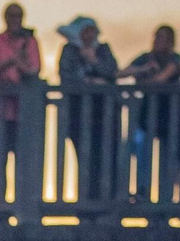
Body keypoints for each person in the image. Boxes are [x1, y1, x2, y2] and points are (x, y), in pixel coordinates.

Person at [0, 4, 42, 204]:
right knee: (0, 159)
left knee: (23, 160)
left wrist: (19, 58)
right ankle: (0, 205)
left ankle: (22, 204)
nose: (16, 19)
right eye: (12, 16)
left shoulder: (30, 42)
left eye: (19, 16)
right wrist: (12, 61)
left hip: (23, 111)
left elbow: (34, 70)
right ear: (5, 18)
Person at [120, 26, 180, 202]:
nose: (157, 41)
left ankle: (165, 199)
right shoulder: (146, 58)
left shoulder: (175, 59)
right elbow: (120, 73)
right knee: (140, 150)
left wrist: (143, 81)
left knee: (167, 159)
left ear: (171, 42)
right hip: (146, 115)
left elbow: (162, 78)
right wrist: (140, 70)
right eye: (156, 37)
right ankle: (142, 191)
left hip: (169, 116)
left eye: (162, 38)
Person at [58, 18, 120, 203]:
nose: (89, 35)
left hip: (105, 117)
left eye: (92, 31)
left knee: (106, 159)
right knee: (85, 161)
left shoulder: (103, 50)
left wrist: (93, 60)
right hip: (78, 116)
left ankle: (107, 203)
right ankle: (86, 204)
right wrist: (89, 82)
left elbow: (111, 72)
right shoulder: (69, 51)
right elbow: (66, 77)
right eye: (85, 31)